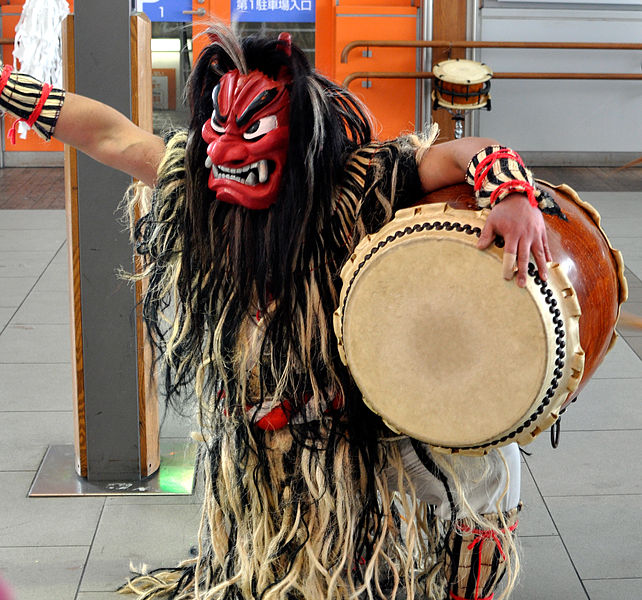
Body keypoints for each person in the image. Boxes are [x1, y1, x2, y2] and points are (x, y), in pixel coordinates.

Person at [1, 25, 562, 600]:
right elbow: (109, 136)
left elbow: (460, 154)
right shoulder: (197, 179)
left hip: (359, 434)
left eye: (250, 128)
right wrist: (9, 87)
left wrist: (511, 192)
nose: (222, 150)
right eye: (217, 126)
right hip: (255, 447)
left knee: (488, 474)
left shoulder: (355, 183)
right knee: (272, 569)